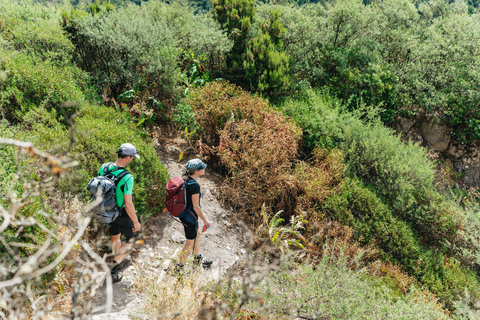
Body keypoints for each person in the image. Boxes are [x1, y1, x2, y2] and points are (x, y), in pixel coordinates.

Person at [100, 143, 141, 282]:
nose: (132, 159)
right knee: (129, 241)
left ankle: (117, 256)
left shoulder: (104, 167)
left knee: (115, 235)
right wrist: (135, 221)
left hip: (105, 211)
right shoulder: (127, 177)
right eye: (132, 157)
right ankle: (112, 270)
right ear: (128, 157)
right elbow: (128, 204)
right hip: (121, 213)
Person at [176, 158, 213, 272]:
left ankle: (197, 257)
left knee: (196, 234)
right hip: (190, 217)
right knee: (189, 243)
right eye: (202, 167)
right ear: (197, 172)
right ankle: (179, 267)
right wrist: (206, 221)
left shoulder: (185, 180)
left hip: (185, 215)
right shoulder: (194, 185)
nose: (204, 168)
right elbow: (196, 207)